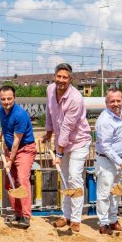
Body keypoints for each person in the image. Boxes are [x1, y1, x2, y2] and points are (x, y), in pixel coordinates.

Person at [43, 63, 91, 233]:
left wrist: (59, 153)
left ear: (70, 79)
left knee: (74, 177)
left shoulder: (76, 98)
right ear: (54, 76)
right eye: (59, 76)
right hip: (61, 142)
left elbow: (67, 128)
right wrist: (49, 133)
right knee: (64, 178)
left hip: (78, 141)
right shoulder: (50, 90)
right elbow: (50, 113)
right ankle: (66, 215)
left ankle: (76, 219)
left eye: (65, 77)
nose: (61, 80)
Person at [94, 88, 122, 234]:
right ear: (106, 103)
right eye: (112, 101)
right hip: (107, 161)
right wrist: (120, 162)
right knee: (105, 193)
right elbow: (106, 147)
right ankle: (103, 223)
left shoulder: (120, 111)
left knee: (115, 192)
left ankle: (113, 220)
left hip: (119, 160)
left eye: (118, 100)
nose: (116, 104)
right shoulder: (104, 121)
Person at [0, 84, 35, 229]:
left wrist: (10, 160)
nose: (6, 102)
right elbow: (5, 125)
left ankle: (26, 216)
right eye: (3, 99)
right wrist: (0, 135)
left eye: (9, 99)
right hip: (10, 149)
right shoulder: (1, 110)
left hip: (24, 149)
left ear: (14, 98)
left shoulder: (20, 114)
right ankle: (17, 213)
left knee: (22, 178)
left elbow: (16, 141)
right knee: (9, 182)